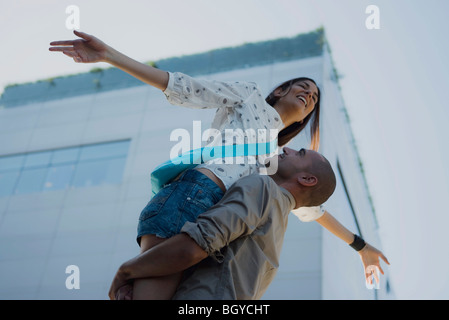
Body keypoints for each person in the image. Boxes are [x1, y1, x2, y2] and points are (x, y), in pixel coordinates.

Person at [49, 31, 387, 299]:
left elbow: (311, 208)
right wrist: (110, 55)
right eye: (304, 87)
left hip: (212, 227)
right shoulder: (251, 97)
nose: (309, 96)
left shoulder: (274, 157)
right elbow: (186, 87)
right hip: (192, 196)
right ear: (282, 89)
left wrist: (360, 246)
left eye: (313, 99)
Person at [109, 148, 388, 300]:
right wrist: (360, 246)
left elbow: (193, 248)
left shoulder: (264, 188)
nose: (287, 149)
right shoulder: (276, 233)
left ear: (307, 180)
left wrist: (127, 270)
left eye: (299, 153)